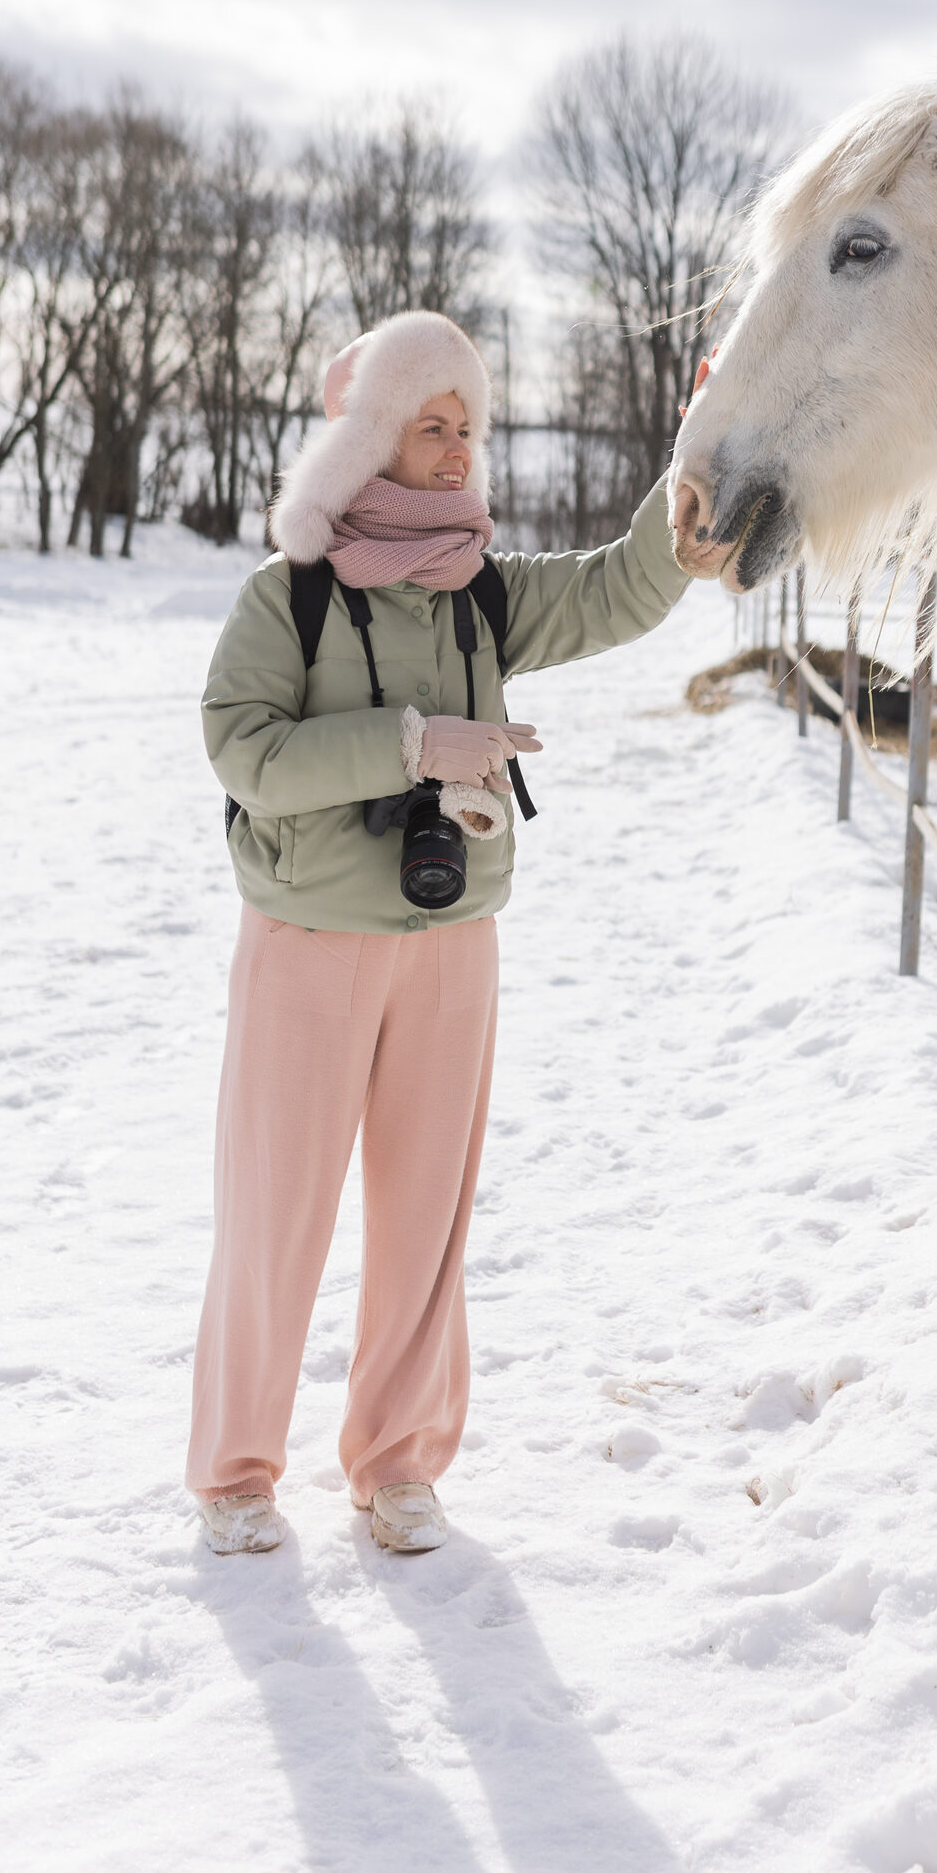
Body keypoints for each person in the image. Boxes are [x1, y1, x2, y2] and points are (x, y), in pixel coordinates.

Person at [189, 309, 689, 1555]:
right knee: (276, 1210)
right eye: (432, 424)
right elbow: (240, 748)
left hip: (453, 936)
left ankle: (399, 1461)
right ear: (371, 439)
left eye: (470, 425)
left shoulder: (487, 592)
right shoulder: (289, 595)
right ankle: (238, 1472)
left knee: (427, 1214)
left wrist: (697, 455)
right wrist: (413, 742)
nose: (460, 448)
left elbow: (628, 584)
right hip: (307, 940)